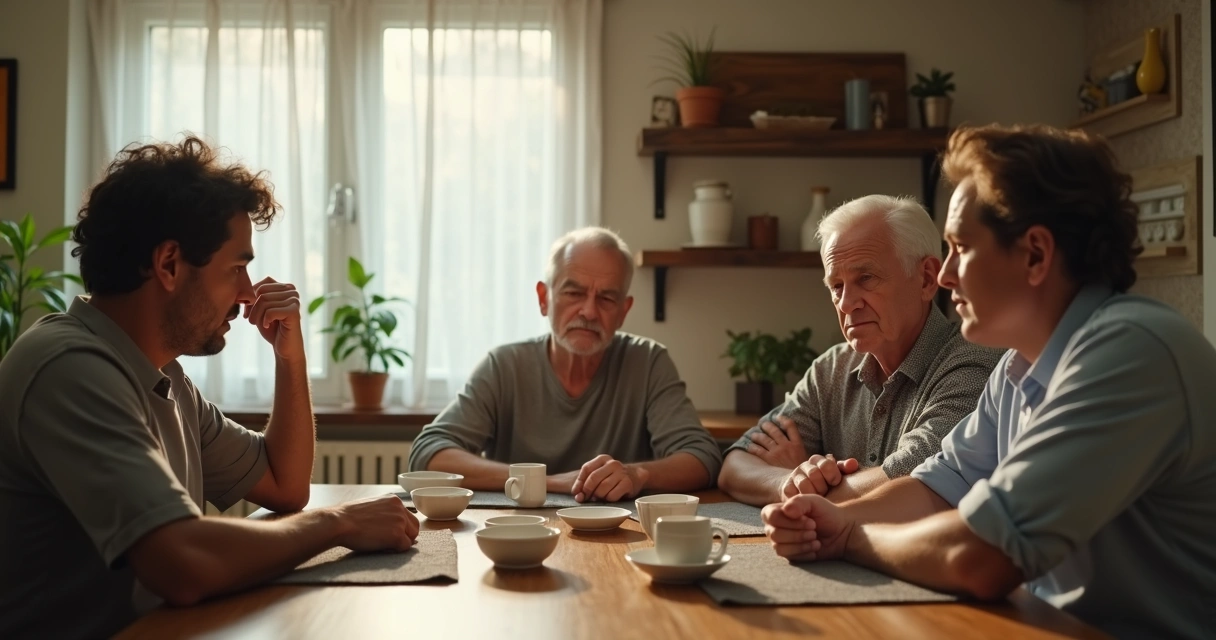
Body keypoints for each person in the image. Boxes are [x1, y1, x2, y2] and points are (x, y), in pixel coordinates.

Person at [761, 124, 1216, 639]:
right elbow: (938, 487)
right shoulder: (1017, 366)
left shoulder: (1131, 353)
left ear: (1036, 255)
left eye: (961, 248)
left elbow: (982, 557)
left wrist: (848, 535)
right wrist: (834, 515)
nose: (946, 275)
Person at [0, 137, 418, 639]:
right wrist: (340, 523)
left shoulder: (164, 377)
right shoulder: (67, 368)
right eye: (237, 268)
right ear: (170, 264)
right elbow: (181, 562)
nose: (247, 294)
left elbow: (285, 486)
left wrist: (291, 355)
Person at [718, 195, 1000, 507]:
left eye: (866, 278)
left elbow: (916, 482)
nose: (846, 303)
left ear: (927, 278)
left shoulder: (973, 364)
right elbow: (735, 467)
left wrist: (812, 490)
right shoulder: (831, 369)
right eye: (836, 286)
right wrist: (789, 481)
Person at [407, 227, 722, 502]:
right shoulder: (505, 366)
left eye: (607, 299)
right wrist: (549, 483)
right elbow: (428, 453)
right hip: (516, 532)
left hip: (617, 535)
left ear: (624, 312)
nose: (588, 311)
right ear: (544, 298)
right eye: (574, 293)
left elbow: (702, 457)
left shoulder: (648, 362)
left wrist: (637, 473)